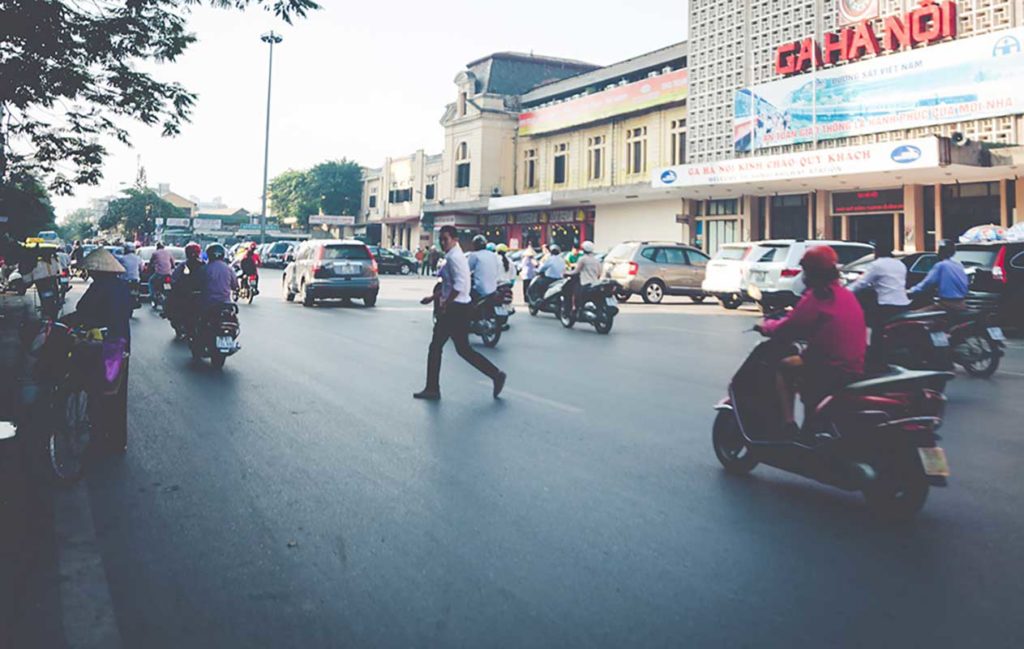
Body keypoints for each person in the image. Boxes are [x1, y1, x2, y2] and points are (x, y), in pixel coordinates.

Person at [757, 246, 866, 439]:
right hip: (853, 365)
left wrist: (766, 326)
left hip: (827, 366)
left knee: (783, 367)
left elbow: (788, 327)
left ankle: (788, 424)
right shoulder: (846, 295)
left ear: (812, 272)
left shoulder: (817, 298)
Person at [414, 226, 506, 401]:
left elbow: (459, 285)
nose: (442, 242)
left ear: (455, 239)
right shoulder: (454, 256)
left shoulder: (455, 258)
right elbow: (450, 285)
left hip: (455, 309)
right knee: (463, 349)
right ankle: (495, 374)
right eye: (440, 239)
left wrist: (445, 305)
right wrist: (433, 297)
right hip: (460, 307)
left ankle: (432, 388)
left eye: (445, 239)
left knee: (436, 347)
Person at [67, 248, 132, 453]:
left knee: (97, 390)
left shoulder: (99, 287)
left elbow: (83, 310)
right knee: (116, 393)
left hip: (103, 346)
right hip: (122, 344)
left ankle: (99, 437)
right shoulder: (121, 286)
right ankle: (116, 440)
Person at [848, 242, 911, 325]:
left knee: (876, 330)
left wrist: (845, 292)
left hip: (885, 305)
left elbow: (861, 283)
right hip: (903, 304)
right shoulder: (900, 264)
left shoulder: (877, 265)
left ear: (877, 252)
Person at [908, 239, 969, 311]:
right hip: (962, 304)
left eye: (940, 250)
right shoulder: (959, 265)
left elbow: (927, 283)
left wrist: (910, 291)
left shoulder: (941, 265)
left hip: (947, 304)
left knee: (913, 315)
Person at [566, 240, 602, 312]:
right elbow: (599, 273)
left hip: (584, 283)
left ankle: (575, 308)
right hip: (595, 283)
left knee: (574, 292)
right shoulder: (596, 260)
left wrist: (567, 273)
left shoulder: (582, 259)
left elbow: (576, 271)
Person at [201, 243, 238, 311]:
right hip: (225, 303)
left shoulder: (205, 268)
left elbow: (199, 284)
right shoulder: (228, 268)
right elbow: (235, 285)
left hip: (209, 303)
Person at [467, 234, 500, 300]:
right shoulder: (493, 255)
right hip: (493, 288)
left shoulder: (474, 255)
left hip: (480, 289)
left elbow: (466, 269)